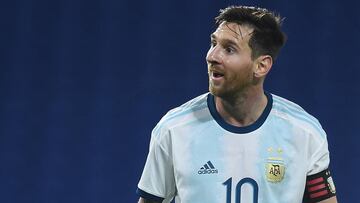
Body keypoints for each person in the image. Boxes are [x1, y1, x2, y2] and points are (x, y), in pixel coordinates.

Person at [136, 5, 337, 203]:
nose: (212, 56)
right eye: (213, 43)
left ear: (261, 65)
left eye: (229, 49)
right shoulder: (173, 129)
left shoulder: (305, 132)